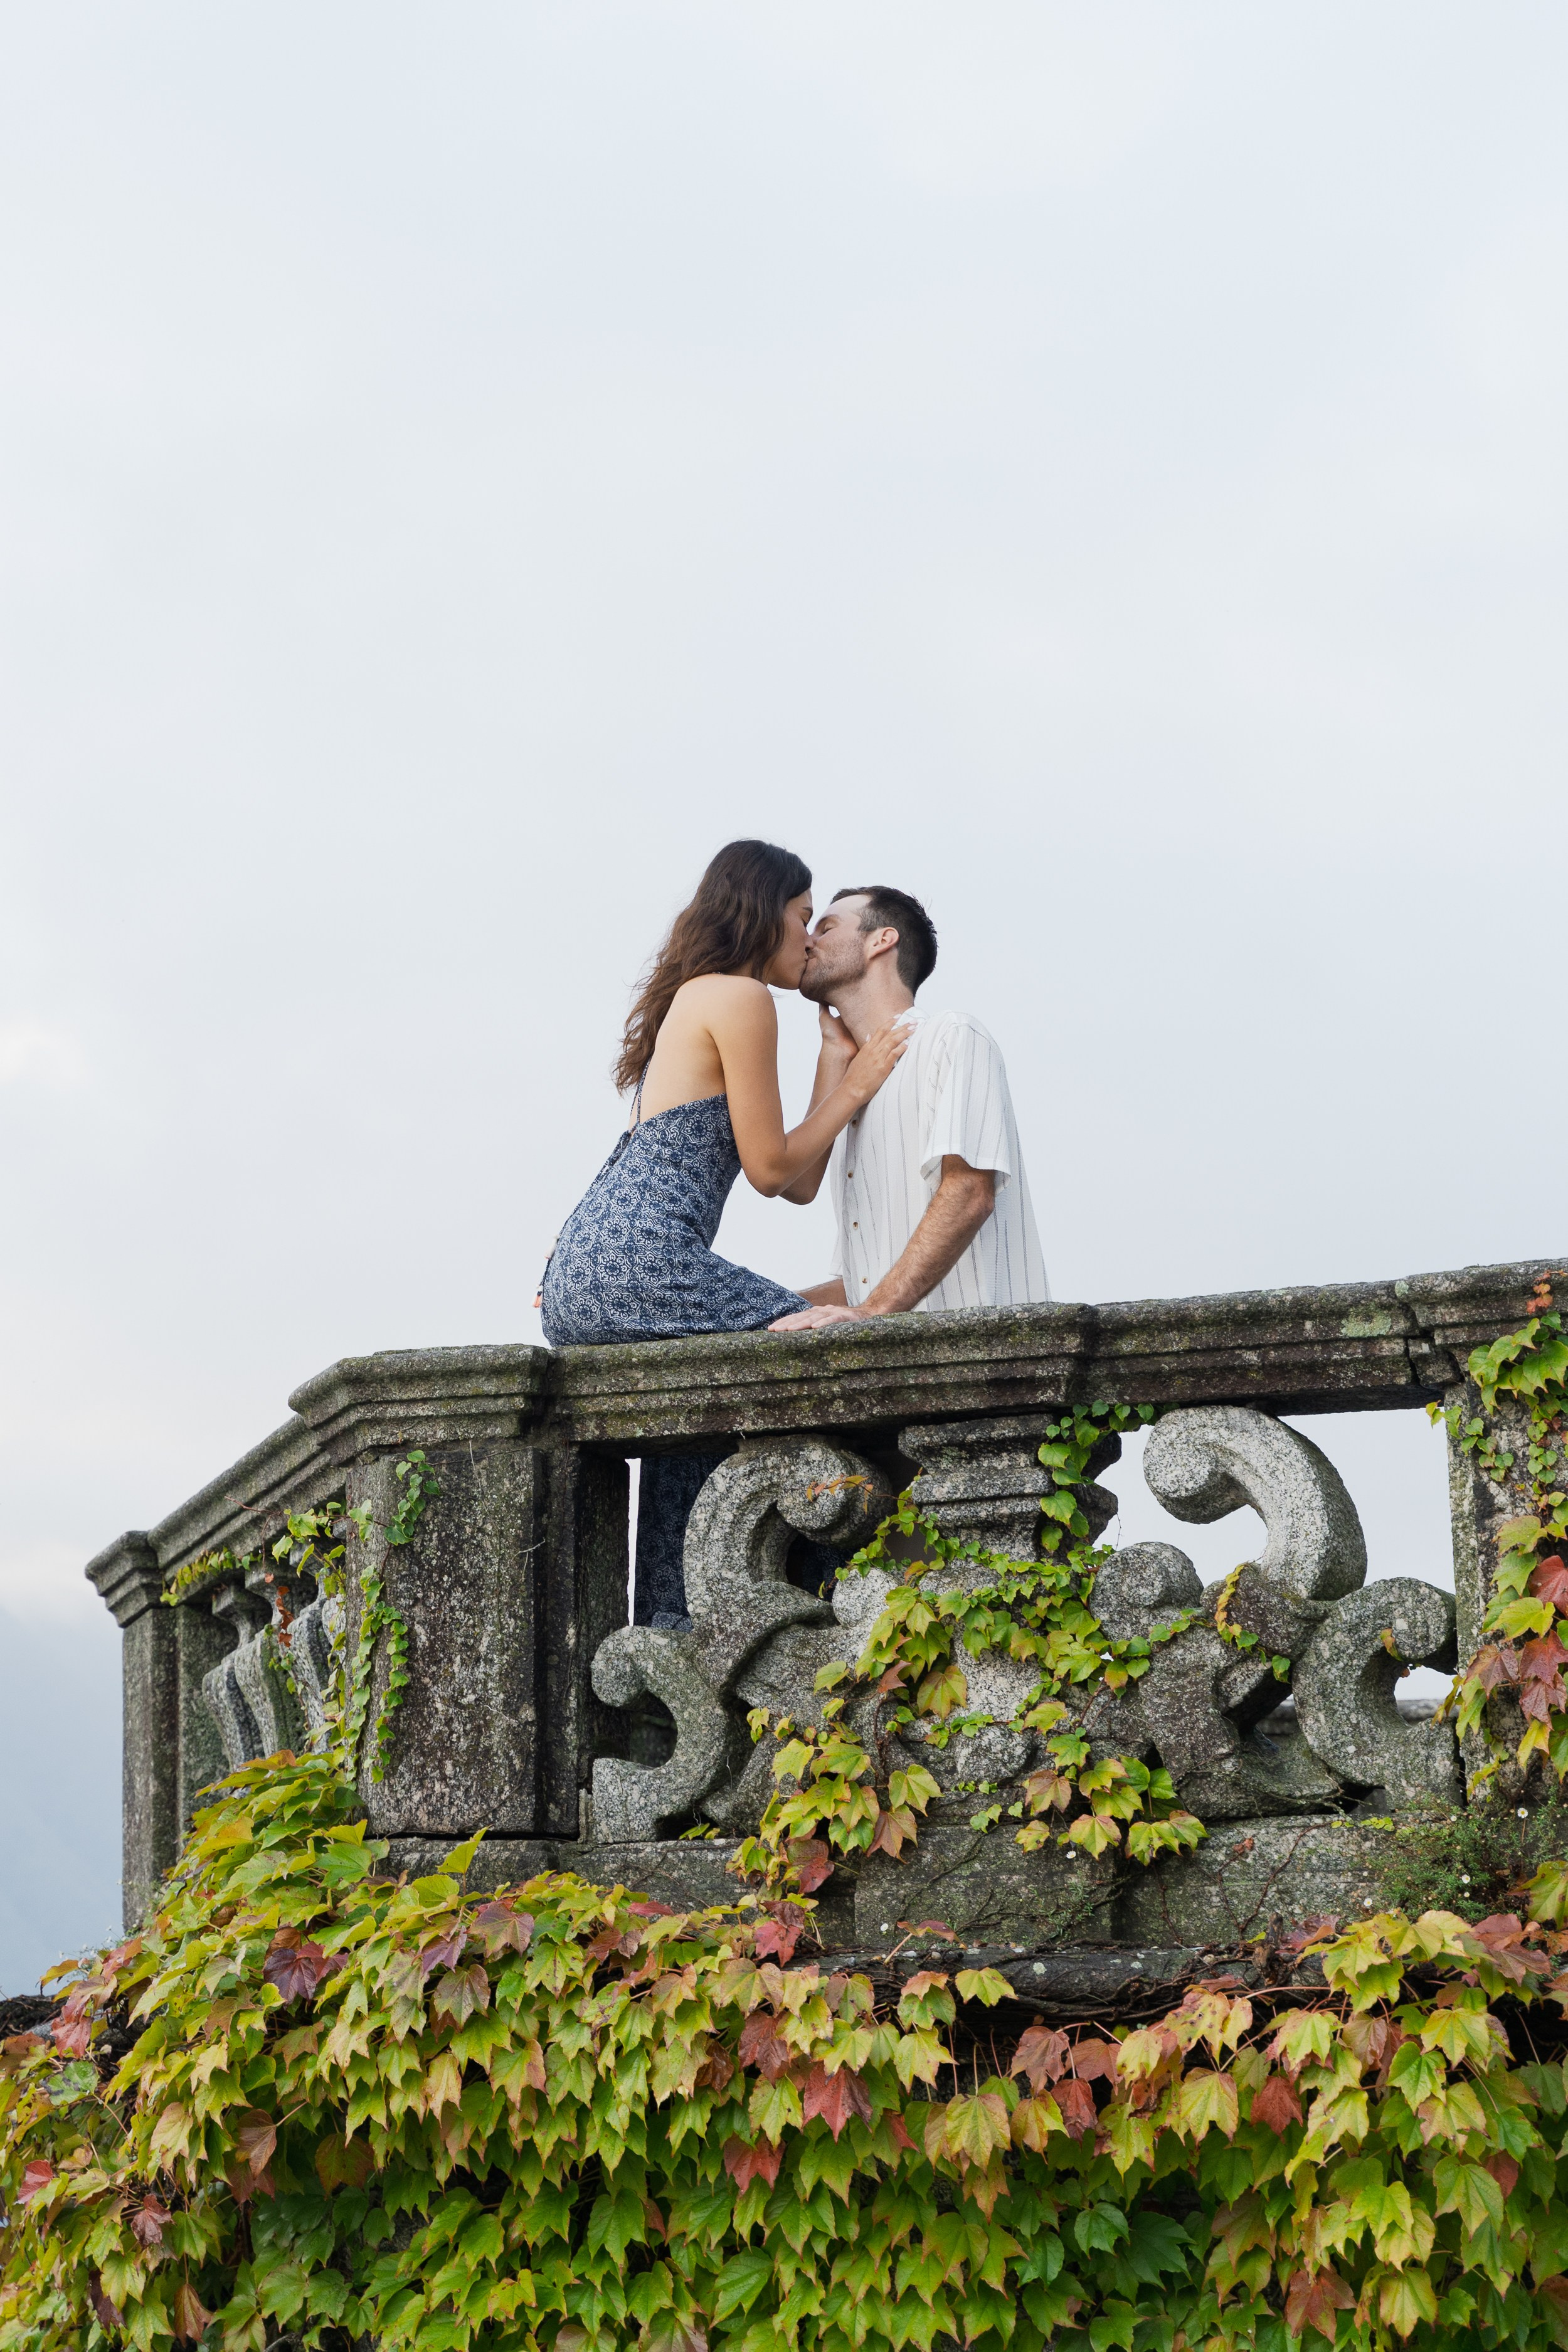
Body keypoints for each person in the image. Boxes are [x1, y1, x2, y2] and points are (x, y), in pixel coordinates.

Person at [539, 840, 910, 1347]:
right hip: (640, 1262)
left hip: (579, 1273)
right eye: (803, 918)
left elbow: (800, 1186)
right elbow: (771, 1173)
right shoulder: (743, 996)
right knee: (839, 1334)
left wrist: (834, 1060)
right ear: (763, 909)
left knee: (811, 1317)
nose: (807, 941)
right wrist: (860, 1084)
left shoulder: (696, 995)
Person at [768, 885, 1049, 1329]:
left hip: (987, 1371)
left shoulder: (952, 1035)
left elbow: (970, 1193)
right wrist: (754, 1315)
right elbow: (863, 1282)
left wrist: (871, 1312)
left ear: (882, 939)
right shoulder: (853, 1089)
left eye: (825, 927)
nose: (807, 941)